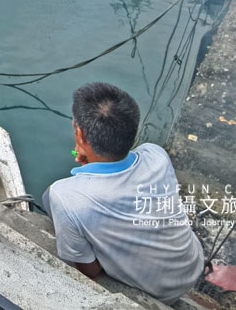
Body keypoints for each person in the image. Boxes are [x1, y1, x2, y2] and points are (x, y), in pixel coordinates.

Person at [43, 83, 203, 305]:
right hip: (191, 265)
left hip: (158, 291)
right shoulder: (156, 155)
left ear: (80, 134)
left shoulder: (66, 197)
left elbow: (89, 271)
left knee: (49, 198)